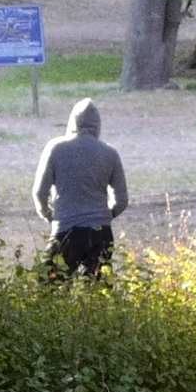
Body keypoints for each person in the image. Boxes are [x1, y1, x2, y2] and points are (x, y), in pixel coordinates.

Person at [32, 98, 128, 278]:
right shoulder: (110, 153)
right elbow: (122, 200)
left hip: (67, 230)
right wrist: (105, 215)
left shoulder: (56, 149)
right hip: (101, 234)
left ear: (72, 122)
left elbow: (39, 192)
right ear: (98, 125)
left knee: (49, 286)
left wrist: (50, 216)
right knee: (98, 290)